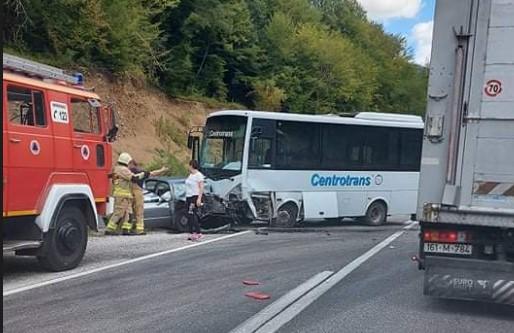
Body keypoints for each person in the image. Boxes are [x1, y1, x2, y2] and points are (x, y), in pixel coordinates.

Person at [105, 152, 145, 236]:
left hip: (125, 195)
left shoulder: (116, 169)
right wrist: (144, 174)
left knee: (129, 214)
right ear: (126, 161)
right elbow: (134, 178)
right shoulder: (123, 170)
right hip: (122, 196)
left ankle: (126, 229)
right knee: (119, 213)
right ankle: (109, 229)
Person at [129, 160, 168, 235]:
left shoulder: (127, 172)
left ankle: (128, 229)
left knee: (129, 212)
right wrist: (162, 170)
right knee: (139, 211)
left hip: (129, 193)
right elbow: (153, 173)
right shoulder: (142, 172)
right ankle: (139, 229)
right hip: (138, 193)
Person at [185, 160, 204, 241]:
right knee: (189, 215)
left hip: (194, 196)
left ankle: (198, 232)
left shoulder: (199, 175)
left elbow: (201, 187)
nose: (188, 167)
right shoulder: (190, 175)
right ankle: (192, 233)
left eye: (189, 165)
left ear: (192, 165)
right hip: (188, 196)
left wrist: (199, 198)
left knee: (192, 213)